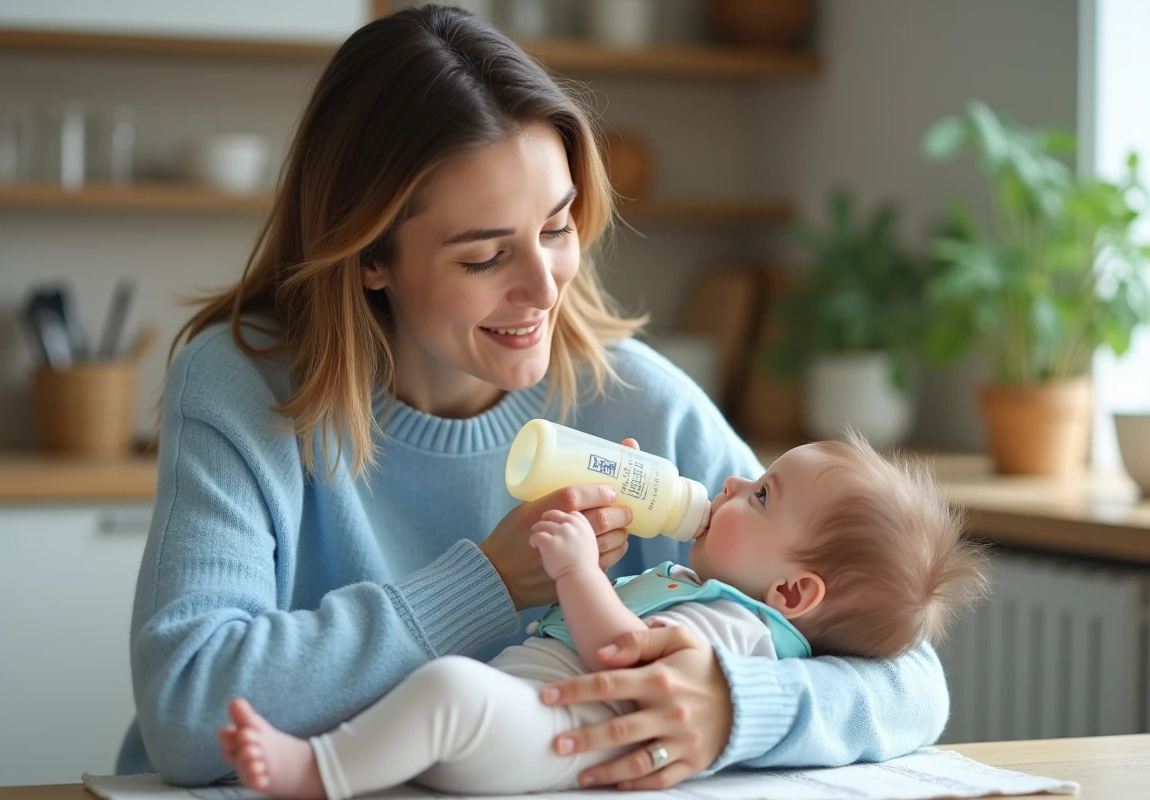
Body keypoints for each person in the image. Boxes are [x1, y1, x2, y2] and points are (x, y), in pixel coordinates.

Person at [117, 5, 953, 790]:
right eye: (484, 256)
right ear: (371, 256)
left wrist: (736, 707)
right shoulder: (245, 385)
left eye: (556, 228)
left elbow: (910, 677)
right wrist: (485, 582)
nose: (545, 289)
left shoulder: (638, 401)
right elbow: (189, 712)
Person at [217, 434, 989, 799]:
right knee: (440, 694)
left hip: (552, 741)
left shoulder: (741, 633)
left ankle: (313, 773)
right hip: (525, 719)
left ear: (792, 594)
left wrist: (579, 571)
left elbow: (622, 651)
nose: (730, 481)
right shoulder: (697, 582)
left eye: (760, 495)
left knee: (450, 689)